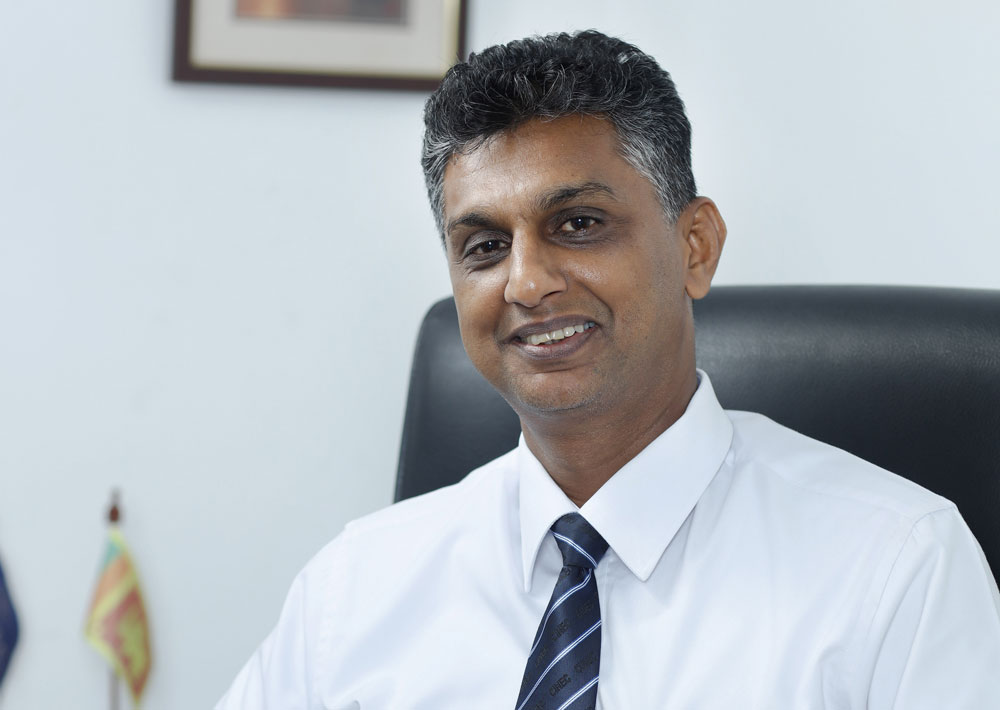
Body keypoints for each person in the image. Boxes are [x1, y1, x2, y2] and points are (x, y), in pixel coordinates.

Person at [216, 30, 1000, 709]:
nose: (526, 283)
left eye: (579, 224)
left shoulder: (897, 570)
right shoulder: (355, 590)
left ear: (695, 246)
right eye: (484, 246)